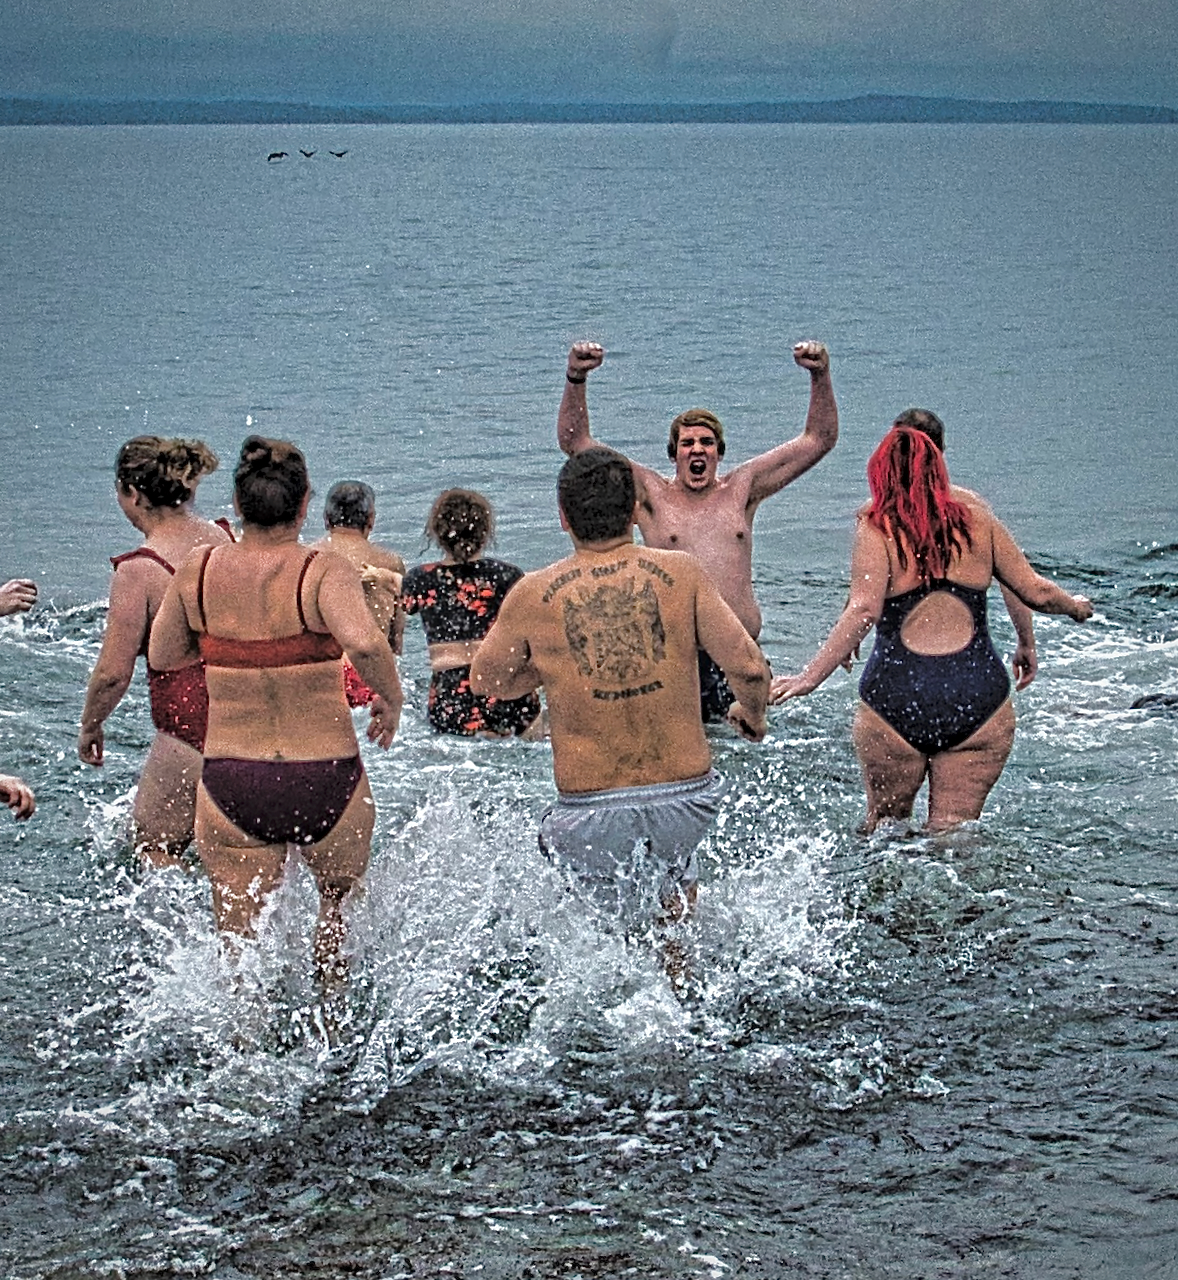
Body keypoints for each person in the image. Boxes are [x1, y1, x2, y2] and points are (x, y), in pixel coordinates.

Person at [469, 447, 769, 975]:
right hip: (686, 799)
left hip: (588, 809)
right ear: (635, 510)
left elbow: (487, 680)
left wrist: (551, 670)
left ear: (562, 518)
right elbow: (748, 666)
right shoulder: (683, 573)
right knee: (676, 913)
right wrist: (753, 716)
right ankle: (683, 996)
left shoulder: (533, 594)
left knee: (605, 944)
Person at [149, 436, 404, 998]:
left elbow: (165, 655)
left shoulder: (199, 568)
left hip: (232, 778)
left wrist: (232, 649)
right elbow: (364, 645)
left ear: (237, 506)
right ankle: (334, 1032)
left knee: (240, 944)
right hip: (325, 775)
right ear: (305, 503)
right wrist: (392, 697)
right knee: (337, 908)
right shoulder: (323, 570)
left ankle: (246, 1056)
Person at [769, 425, 1093, 833]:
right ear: (940, 462)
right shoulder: (979, 517)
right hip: (976, 696)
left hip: (896, 695)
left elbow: (862, 608)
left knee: (883, 830)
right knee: (953, 834)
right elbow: (1034, 590)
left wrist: (808, 678)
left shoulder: (877, 524)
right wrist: (1076, 610)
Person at [558, 339, 838, 720]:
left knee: (749, 759)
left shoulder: (743, 489)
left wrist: (819, 375)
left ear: (719, 453)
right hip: (676, 661)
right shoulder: (650, 493)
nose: (697, 449)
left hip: (738, 657)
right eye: (687, 443)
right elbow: (576, 443)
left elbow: (818, 439)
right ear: (674, 455)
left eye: (707, 442)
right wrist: (577, 376)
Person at [79, 437, 233, 867]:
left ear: (134, 494)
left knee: (157, 852)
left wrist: (90, 726)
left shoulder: (139, 570)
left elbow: (113, 672)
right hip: (246, 712)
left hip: (188, 724)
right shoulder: (224, 537)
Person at [893, 407, 1039, 689]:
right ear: (942, 452)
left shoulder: (881, 516)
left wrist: (850, 637)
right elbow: (1017, 583)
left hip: (905, 667)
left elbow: (865, 592)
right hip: (968, 665)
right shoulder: (975, 511)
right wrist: (1026, 642)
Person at [400, 488, 543, 738]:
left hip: (450, 698)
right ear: (485, 533)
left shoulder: (419, 579)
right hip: (503, 689)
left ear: (438, 533)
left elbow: (397, 617)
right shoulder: (507, 576)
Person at [313, 481, 405, 708]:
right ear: (371, 519)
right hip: (369, 672)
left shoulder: (309, 558)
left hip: (323, 673)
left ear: (326, 518)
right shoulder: (390, 563)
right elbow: (396, 641)